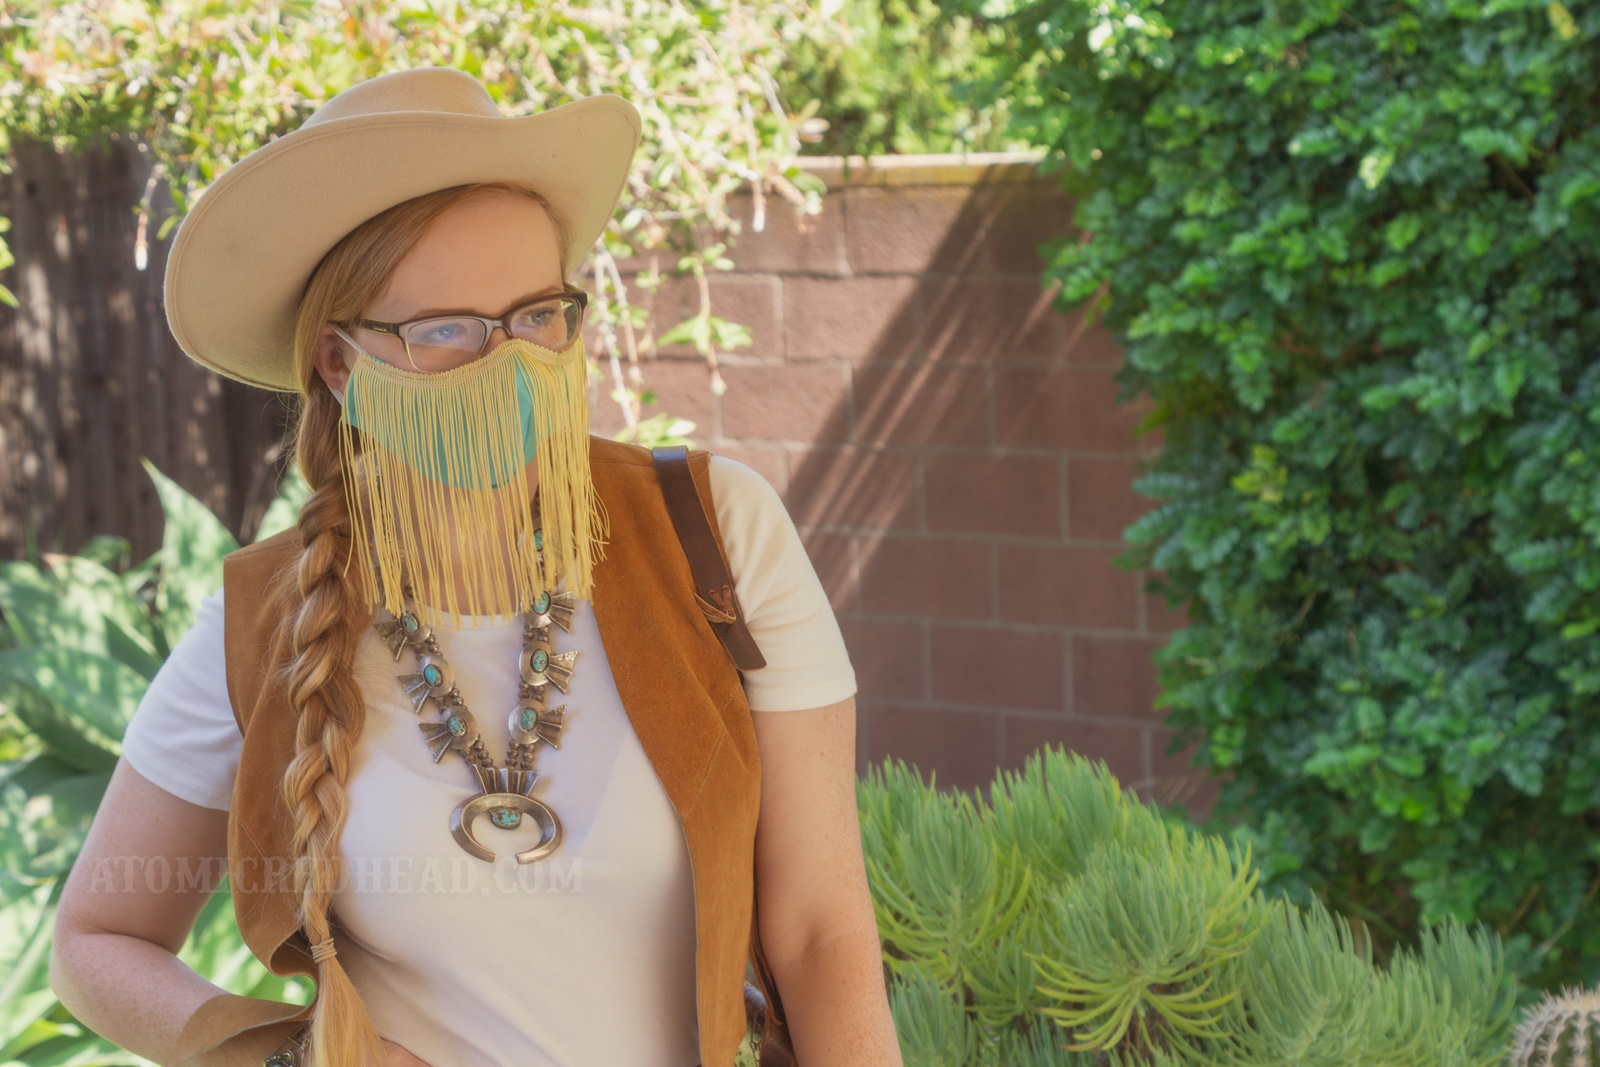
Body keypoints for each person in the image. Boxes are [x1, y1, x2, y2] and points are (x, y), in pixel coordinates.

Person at [46, 67, 902, 1067]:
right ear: (339, 363)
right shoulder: (265, 621)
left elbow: (819, 933)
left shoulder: (714, 535)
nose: (507, 363)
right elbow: (93, 942)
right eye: (444, 331)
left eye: (537, 316)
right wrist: (304, 1058)